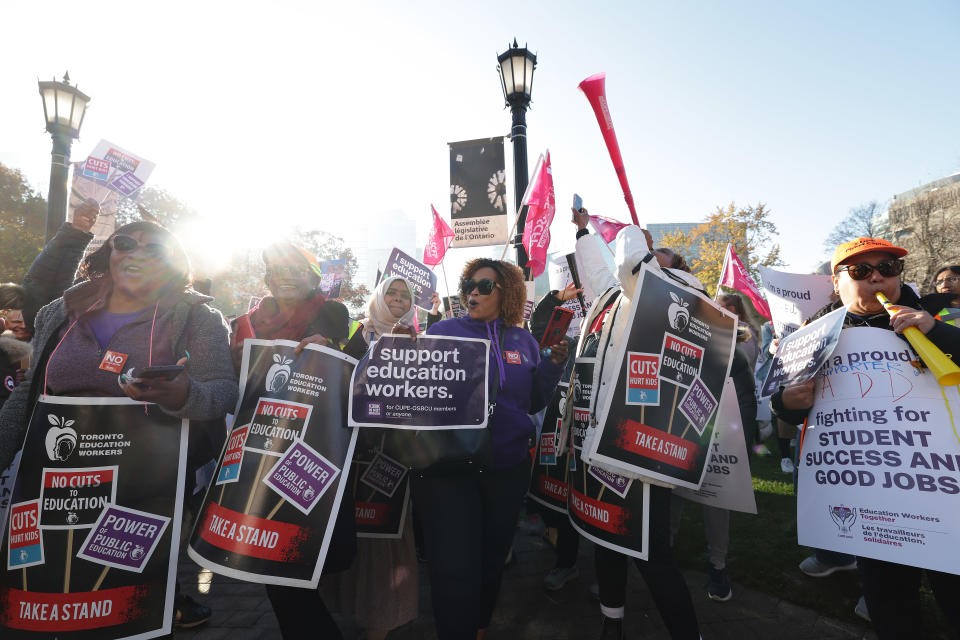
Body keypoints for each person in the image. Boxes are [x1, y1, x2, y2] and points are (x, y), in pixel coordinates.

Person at [0, 220, 238, 628]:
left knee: (127, 595)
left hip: (144, 484)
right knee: (50, 587)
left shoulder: (196, 317)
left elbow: (222, 392)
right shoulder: (60, 311)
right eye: (125, 243)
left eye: (154, 249)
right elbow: (29, 393)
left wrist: (183, 394)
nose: (136, 254)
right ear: (109, 252)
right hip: (55, 478)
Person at [772, 237, 960, 639]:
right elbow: (787, 405)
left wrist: (936, 331)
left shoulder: (939, 312)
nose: (877, 277)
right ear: (836, 282)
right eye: (860, 271)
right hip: (872, 499)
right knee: (891, 611)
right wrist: (787, 402)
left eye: (888, 268)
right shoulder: (815, 333)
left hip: (943, 487)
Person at [412, 258, 567, 640]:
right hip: (448, 468)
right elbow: (411, 386)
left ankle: (480, 627)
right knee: (451, 562)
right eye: (468, 284)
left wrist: (552, 368)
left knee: (492, 557)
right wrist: (400, 347)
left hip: (506, 468)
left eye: (484, 286)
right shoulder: (443, 331)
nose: (472, 292)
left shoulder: (524, 340)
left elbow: (532, 403)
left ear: (507, 294)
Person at [573, 208, 701, 640]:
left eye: (660, 250)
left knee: (651, 553)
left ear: (679, 266)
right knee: (607, 539)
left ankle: (686, 632)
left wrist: (632, 234)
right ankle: (613, 620)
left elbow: (632, 269)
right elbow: (600, 279)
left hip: (644, 444)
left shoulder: (684, 289)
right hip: (601, 439)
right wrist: (582, 232)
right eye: (650, 247)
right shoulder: (621, 295)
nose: (652, 251)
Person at [229, 242, 354, 640]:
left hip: (314, 454)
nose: (284, 275)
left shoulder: (332, 313)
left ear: (312, 277)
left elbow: (358, 370)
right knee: (273, 564)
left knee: (299, 560)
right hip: (259, 453)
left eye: (295, 269)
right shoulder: (246, 323)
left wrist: (332, 352)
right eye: (276, 268)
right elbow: (229, 384)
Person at [322, 275, 419, 640]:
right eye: (391, 292)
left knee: (387, 540)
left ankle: (380, 622)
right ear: (379, 297)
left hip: (396, 458)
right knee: (357, 535)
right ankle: (353, 607)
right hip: (353, 454)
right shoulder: (357, 337)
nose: (397, 298)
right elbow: (340, 385)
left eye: (404, 295)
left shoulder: (420, 341)